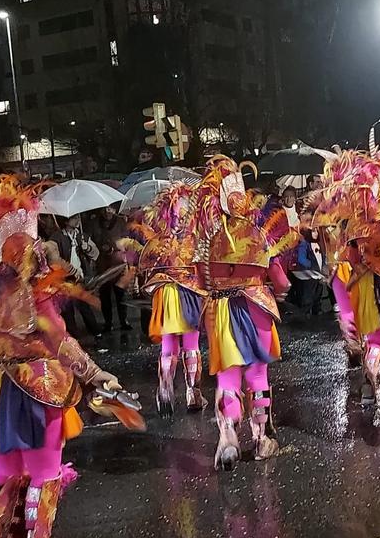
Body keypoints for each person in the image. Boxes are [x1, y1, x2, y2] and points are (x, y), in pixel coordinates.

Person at [0, 166, 129, 538]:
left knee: (3, 472)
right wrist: (94, 372)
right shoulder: (30, 290)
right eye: (32, 242)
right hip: (38, 388)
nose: (37, 251)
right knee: (43, 472)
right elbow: (59, 341)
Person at [194, 156, 299, 470]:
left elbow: (201, 280)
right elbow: (278, 276)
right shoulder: (258, 234)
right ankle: (260, 437)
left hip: (221, 312)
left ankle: (227, 437)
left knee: (227, 376)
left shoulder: (209, 241)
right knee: (257, 375)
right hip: (256, 308)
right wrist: (280, 287)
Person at [311, 150, 380, 409]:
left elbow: (349, 257)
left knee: (373, 339)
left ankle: (368, 386)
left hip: (361, 284)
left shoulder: (350, 222)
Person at [119, 183, 208, 416]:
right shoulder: (194, 234)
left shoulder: (158, 235)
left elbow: (144, 261)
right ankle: (192, 393)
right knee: (191, 344)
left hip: (165, 292)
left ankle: (166, 389)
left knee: (169, 345)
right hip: (189, 290)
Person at [51, 214, 102, 344]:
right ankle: (73, 337)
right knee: (68, 309)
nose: (77, 221)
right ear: (66, 221)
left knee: (84, 305)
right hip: (65, 279)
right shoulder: (57, 238)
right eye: (74, 218)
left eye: (78, 218)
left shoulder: (82, 236)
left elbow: (96, 254)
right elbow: (54, 259)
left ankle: (96, 331)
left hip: (81, 277)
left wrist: (87, 248)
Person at [89, 206, 133, 337]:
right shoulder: (95, 223)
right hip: (103, 264)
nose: (109, 212)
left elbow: (127, 241)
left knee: (120, 294)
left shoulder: (120, 222)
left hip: (118, 263)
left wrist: (116, 248)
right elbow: (91, 241)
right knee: (105, 295)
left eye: (111, 209)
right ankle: (108, 322)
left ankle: (123, 320)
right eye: (106, 209)